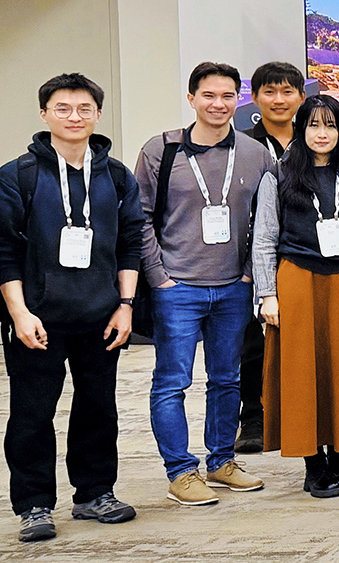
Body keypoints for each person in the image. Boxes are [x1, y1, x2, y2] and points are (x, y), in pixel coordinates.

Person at [1, 73, 143, 542]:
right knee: (31, 414)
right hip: (37, 319)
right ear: (44, 114)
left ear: (98, 114)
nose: (74, 116)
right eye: (62, 108)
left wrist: (125, 305)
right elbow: (3, 252)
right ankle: (35, 505)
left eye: (84, 108)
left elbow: (129, 245)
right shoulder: (17, 175)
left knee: (99, 410)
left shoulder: (117, 175)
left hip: (101, 316)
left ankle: (94, 494)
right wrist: (20, 314)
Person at [136, 62, 273, 505]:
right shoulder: (162, 150)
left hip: (234, 286)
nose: (219, 105)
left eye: (228, 96)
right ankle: (180, 471)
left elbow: (267, 222)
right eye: (209, 96)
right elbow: (138, 218)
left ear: (239, 99)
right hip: (178, 289)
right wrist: (159, 277)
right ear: (192, 98)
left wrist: (252, 274)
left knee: (227, 379)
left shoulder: (255, 154)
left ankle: (220, 462)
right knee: (172, 381)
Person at [251, 94, 339, 498]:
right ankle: (314, 463)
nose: (322, 133)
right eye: (314, 125)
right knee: (304, 373)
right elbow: (264, 240)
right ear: (302, 129)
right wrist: (267, 295)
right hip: (299, 281)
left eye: (330, 125)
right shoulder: (277, 176)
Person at [233, 61, 305, 455]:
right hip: (247, 258)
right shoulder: (241, 144)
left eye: (287, 91)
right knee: (251, 343)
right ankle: (254, 419)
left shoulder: (315, 139)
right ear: (255, 98)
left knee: (303, 341)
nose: (279, 100)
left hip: (302, 256)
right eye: (270, 92)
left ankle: (305, 413)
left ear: (301, 97)